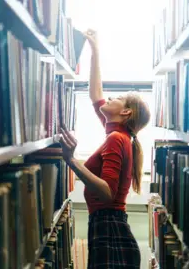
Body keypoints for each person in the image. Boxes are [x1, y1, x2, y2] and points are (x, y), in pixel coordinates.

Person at [59, 29, 151, 269]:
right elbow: (95, 94)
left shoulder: (116, 139)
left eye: (116, 98)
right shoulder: (117, 134)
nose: (108, 99)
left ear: (126, 112)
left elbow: (107, 192)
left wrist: (72, 161)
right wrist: (95, 49)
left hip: (109, 227)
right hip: (108, 225)